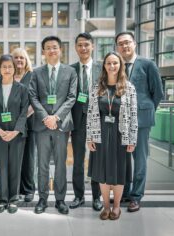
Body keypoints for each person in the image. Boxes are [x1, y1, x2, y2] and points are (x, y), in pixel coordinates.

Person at [115, 32, 164, 212]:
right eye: (121, 44)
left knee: (140, 159)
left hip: (141, 120)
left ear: (134, 44)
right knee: (123, 159)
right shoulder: (117, 65)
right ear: (117, 47)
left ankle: (136, 196)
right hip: (120, 120)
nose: (124, 46)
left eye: (127, 42)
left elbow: (157, 93)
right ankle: (125, 193)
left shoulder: (148, 64)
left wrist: (146, 110)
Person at [29, 36, 77, 215]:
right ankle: (42, 199)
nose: (51, 50)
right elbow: (32, 97)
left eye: (55, 47)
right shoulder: (36, 72)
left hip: (61, 125)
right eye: (48, 48)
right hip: (42, 126)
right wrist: (45, 117)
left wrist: (55, 117)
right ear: (43, 51)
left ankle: (60, 199)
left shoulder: (70, 72)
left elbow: (72, 97)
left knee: (60, 164)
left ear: (60, 50)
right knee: (41, 164)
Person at [87, 51, 138, 220]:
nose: (112, 66)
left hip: (120, 134)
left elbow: (133, 114)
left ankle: (116, 207)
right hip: (100, 133)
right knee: (102, 172)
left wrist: (132, 139)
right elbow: (90, 113)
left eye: (115, 63)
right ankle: (106, 207)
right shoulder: (97, 87)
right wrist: (90, 137)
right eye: (108, 63)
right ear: (104, 66)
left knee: (119, 171)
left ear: (120, 65)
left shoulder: (129, 88)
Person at [0, 54, 29, 214]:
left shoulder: (22, 89)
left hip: (17, 135)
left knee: (15, 167)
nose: (7, 69)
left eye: (10, 66)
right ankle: (2, 199)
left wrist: (16, 131)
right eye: (4, 66)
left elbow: (24, 111)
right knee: (1, 167)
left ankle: (13, 199)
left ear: (14, 68)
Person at [69, 33, 103, 211]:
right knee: (78, 160)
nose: (83, 48)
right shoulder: (70, 69)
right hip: (77, 121)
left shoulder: (101, 68)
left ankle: (97, 197)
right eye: (80, 45)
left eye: (86, 45)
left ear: (92, 46)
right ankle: (78, 196)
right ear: (76, 48)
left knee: (96, 160)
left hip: (98, 121)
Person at [11, 48, 36, 203]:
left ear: (26, 60)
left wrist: (21, 117)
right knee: (14, 158)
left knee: (28, 157)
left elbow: (37, 99)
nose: (19, 60)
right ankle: (16, 189)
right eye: (16, 57)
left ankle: (28, 189)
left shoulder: (32, 77)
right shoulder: (7, 76)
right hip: (11, 125)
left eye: (22, 57)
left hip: (29, 122)